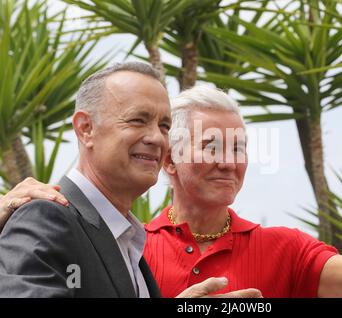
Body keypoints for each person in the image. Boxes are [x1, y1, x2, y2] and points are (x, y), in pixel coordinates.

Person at [0, 75, 342, 298]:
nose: (230, 161)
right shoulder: (134, 246)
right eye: (212, 146)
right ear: (169, 159)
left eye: (239, 147)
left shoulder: (285, 248)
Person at [0, 62, 261, 298]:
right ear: (85, 128)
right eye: (138, 120)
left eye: (164, 126)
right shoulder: (45, 217)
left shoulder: (128, 240)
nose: (157, 138)